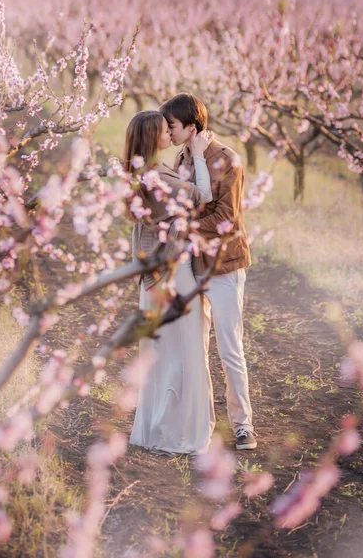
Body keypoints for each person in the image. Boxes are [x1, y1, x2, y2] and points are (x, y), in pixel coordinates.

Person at [160, 93, 257, 450]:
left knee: (230, 347)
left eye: (171, 125)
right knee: (194, 346)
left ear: (190, 125)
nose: (167, 131)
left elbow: (225, 220)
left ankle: (243, 425)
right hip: (191, 264)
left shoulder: (228, 161)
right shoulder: (183, 157)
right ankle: (201, 422)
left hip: (224, 265)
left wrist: (183, 228)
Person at [124, 110, 215, 455]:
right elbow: (203, 194)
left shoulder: (140, 172)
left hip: (154, 277)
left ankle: (155, 429)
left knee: (159, 355)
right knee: (189, 351)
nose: (169, 133)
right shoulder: (158, 175)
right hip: (172, 275)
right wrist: (202, 154)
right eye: (165, 130)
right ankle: (181, 433)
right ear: (153, 138)